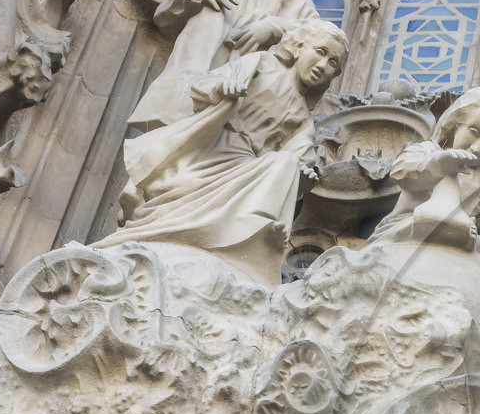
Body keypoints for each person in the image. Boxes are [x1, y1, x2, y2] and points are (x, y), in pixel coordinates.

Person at [117, 18, 347, 287]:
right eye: (320, 52)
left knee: (284, 162)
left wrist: (303, 177)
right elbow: (204, 86)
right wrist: (221, 88)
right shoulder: (262, 64)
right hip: (211, 149)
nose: (322, 66)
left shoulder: (304, 122)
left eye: (333, 63)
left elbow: (297, 160)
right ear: (298, 47)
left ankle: (251, 229)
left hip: (247, 169)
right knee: (180, 191)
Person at [129, 0, 316, 134]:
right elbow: (163, 18)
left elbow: (313, 32)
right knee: (176, 127)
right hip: (196, 72)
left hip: (248, 79)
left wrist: (273, 27)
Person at [373, 86, 480, 253]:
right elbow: (400, 171)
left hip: (460, 247)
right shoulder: (430, 150)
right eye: (474, 132)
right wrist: (439, 164)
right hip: (405, 232)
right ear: (455, 123)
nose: (477, 148)